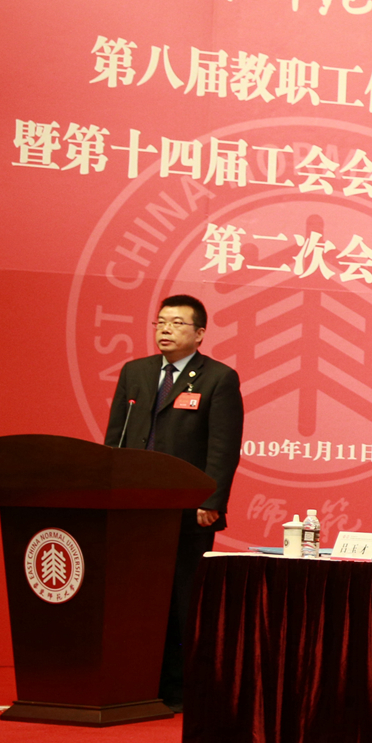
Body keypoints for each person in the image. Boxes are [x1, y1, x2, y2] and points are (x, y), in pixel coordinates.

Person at [104, 293, 243, 707]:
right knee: (137, 596)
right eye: (161, 322)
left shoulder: (218, 378)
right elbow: (115, 436)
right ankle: (136, 681)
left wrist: (211, 499)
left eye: (177, 323)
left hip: (189, 510)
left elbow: (223, 447)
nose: (165, 329)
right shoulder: (136, 372)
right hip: (134, 509)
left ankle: (181, 688)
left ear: (199, 334)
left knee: (183, 599)